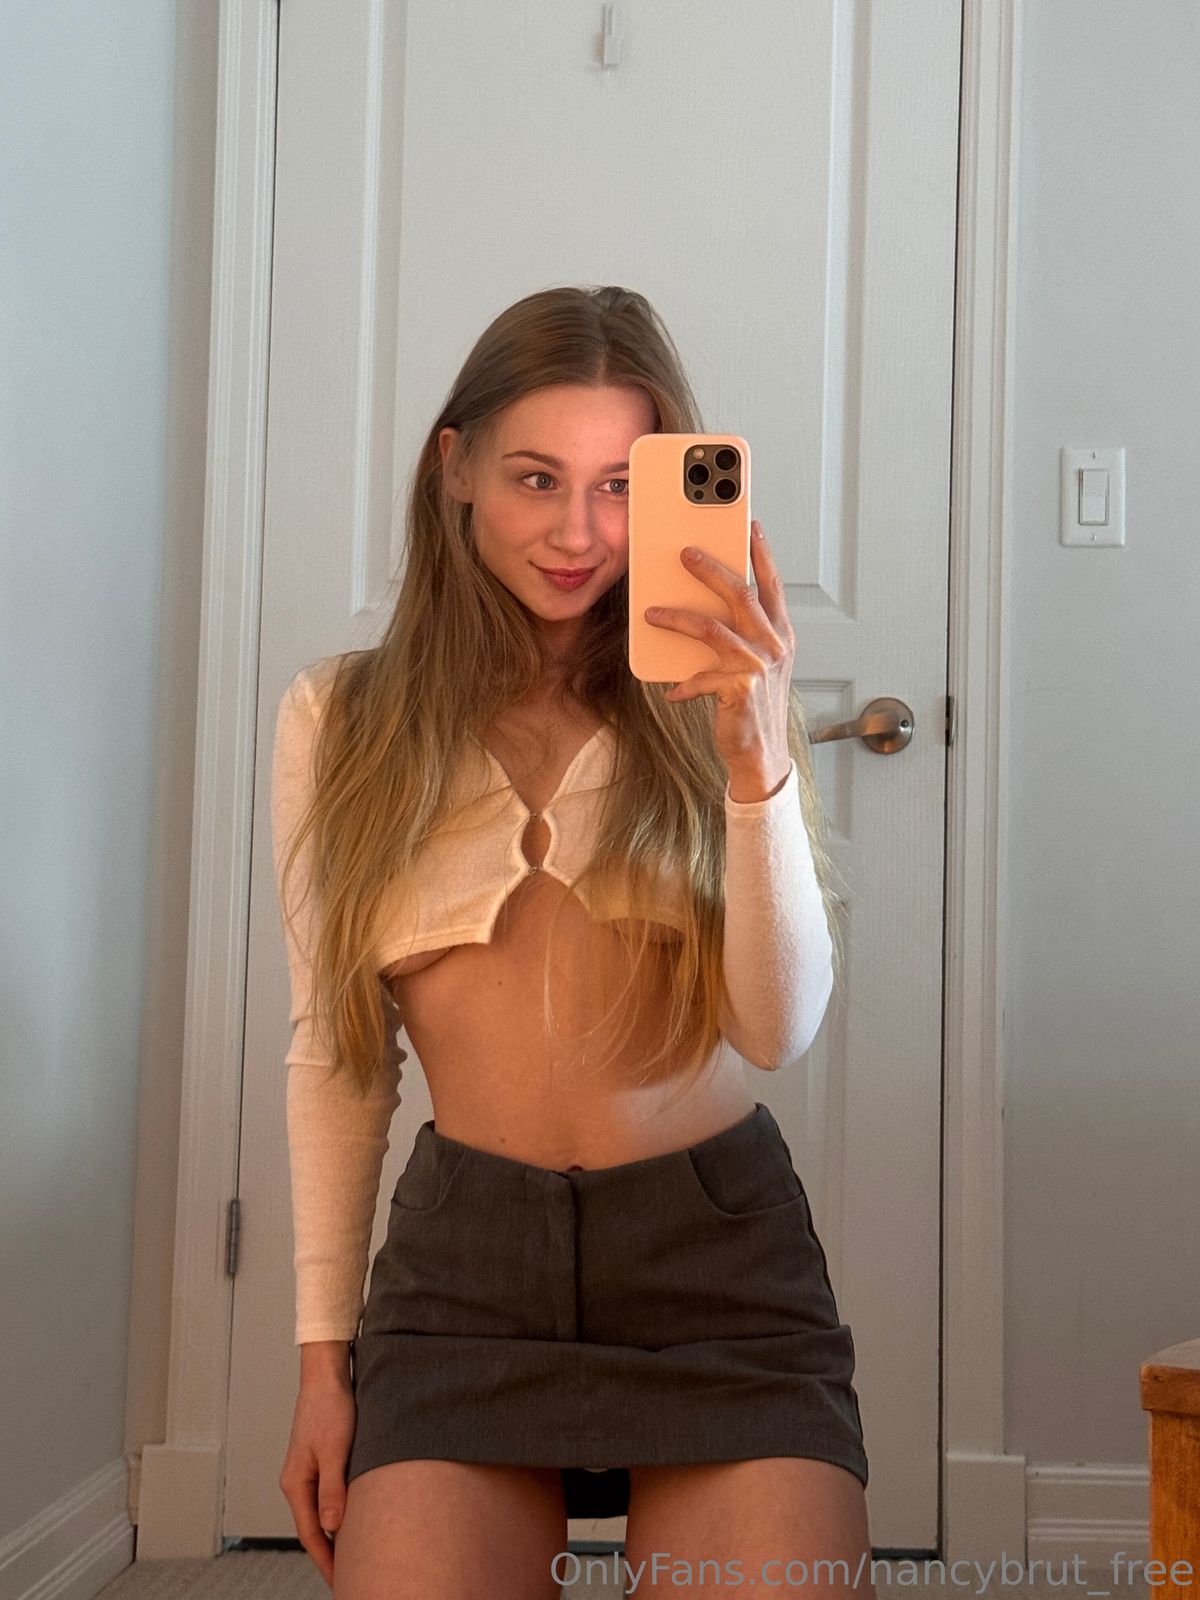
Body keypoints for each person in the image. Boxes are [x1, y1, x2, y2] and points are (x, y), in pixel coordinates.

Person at [272, 285, 875, 1598]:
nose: (579, 532)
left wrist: (756, 764)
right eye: (537, 478)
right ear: (457, 468)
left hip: (718, 1271)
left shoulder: (722, 694)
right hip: (464, 1279)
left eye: (618, 487)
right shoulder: (342, 719)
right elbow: (338, 1061)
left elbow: (776, 1030)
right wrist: (324, 1366)